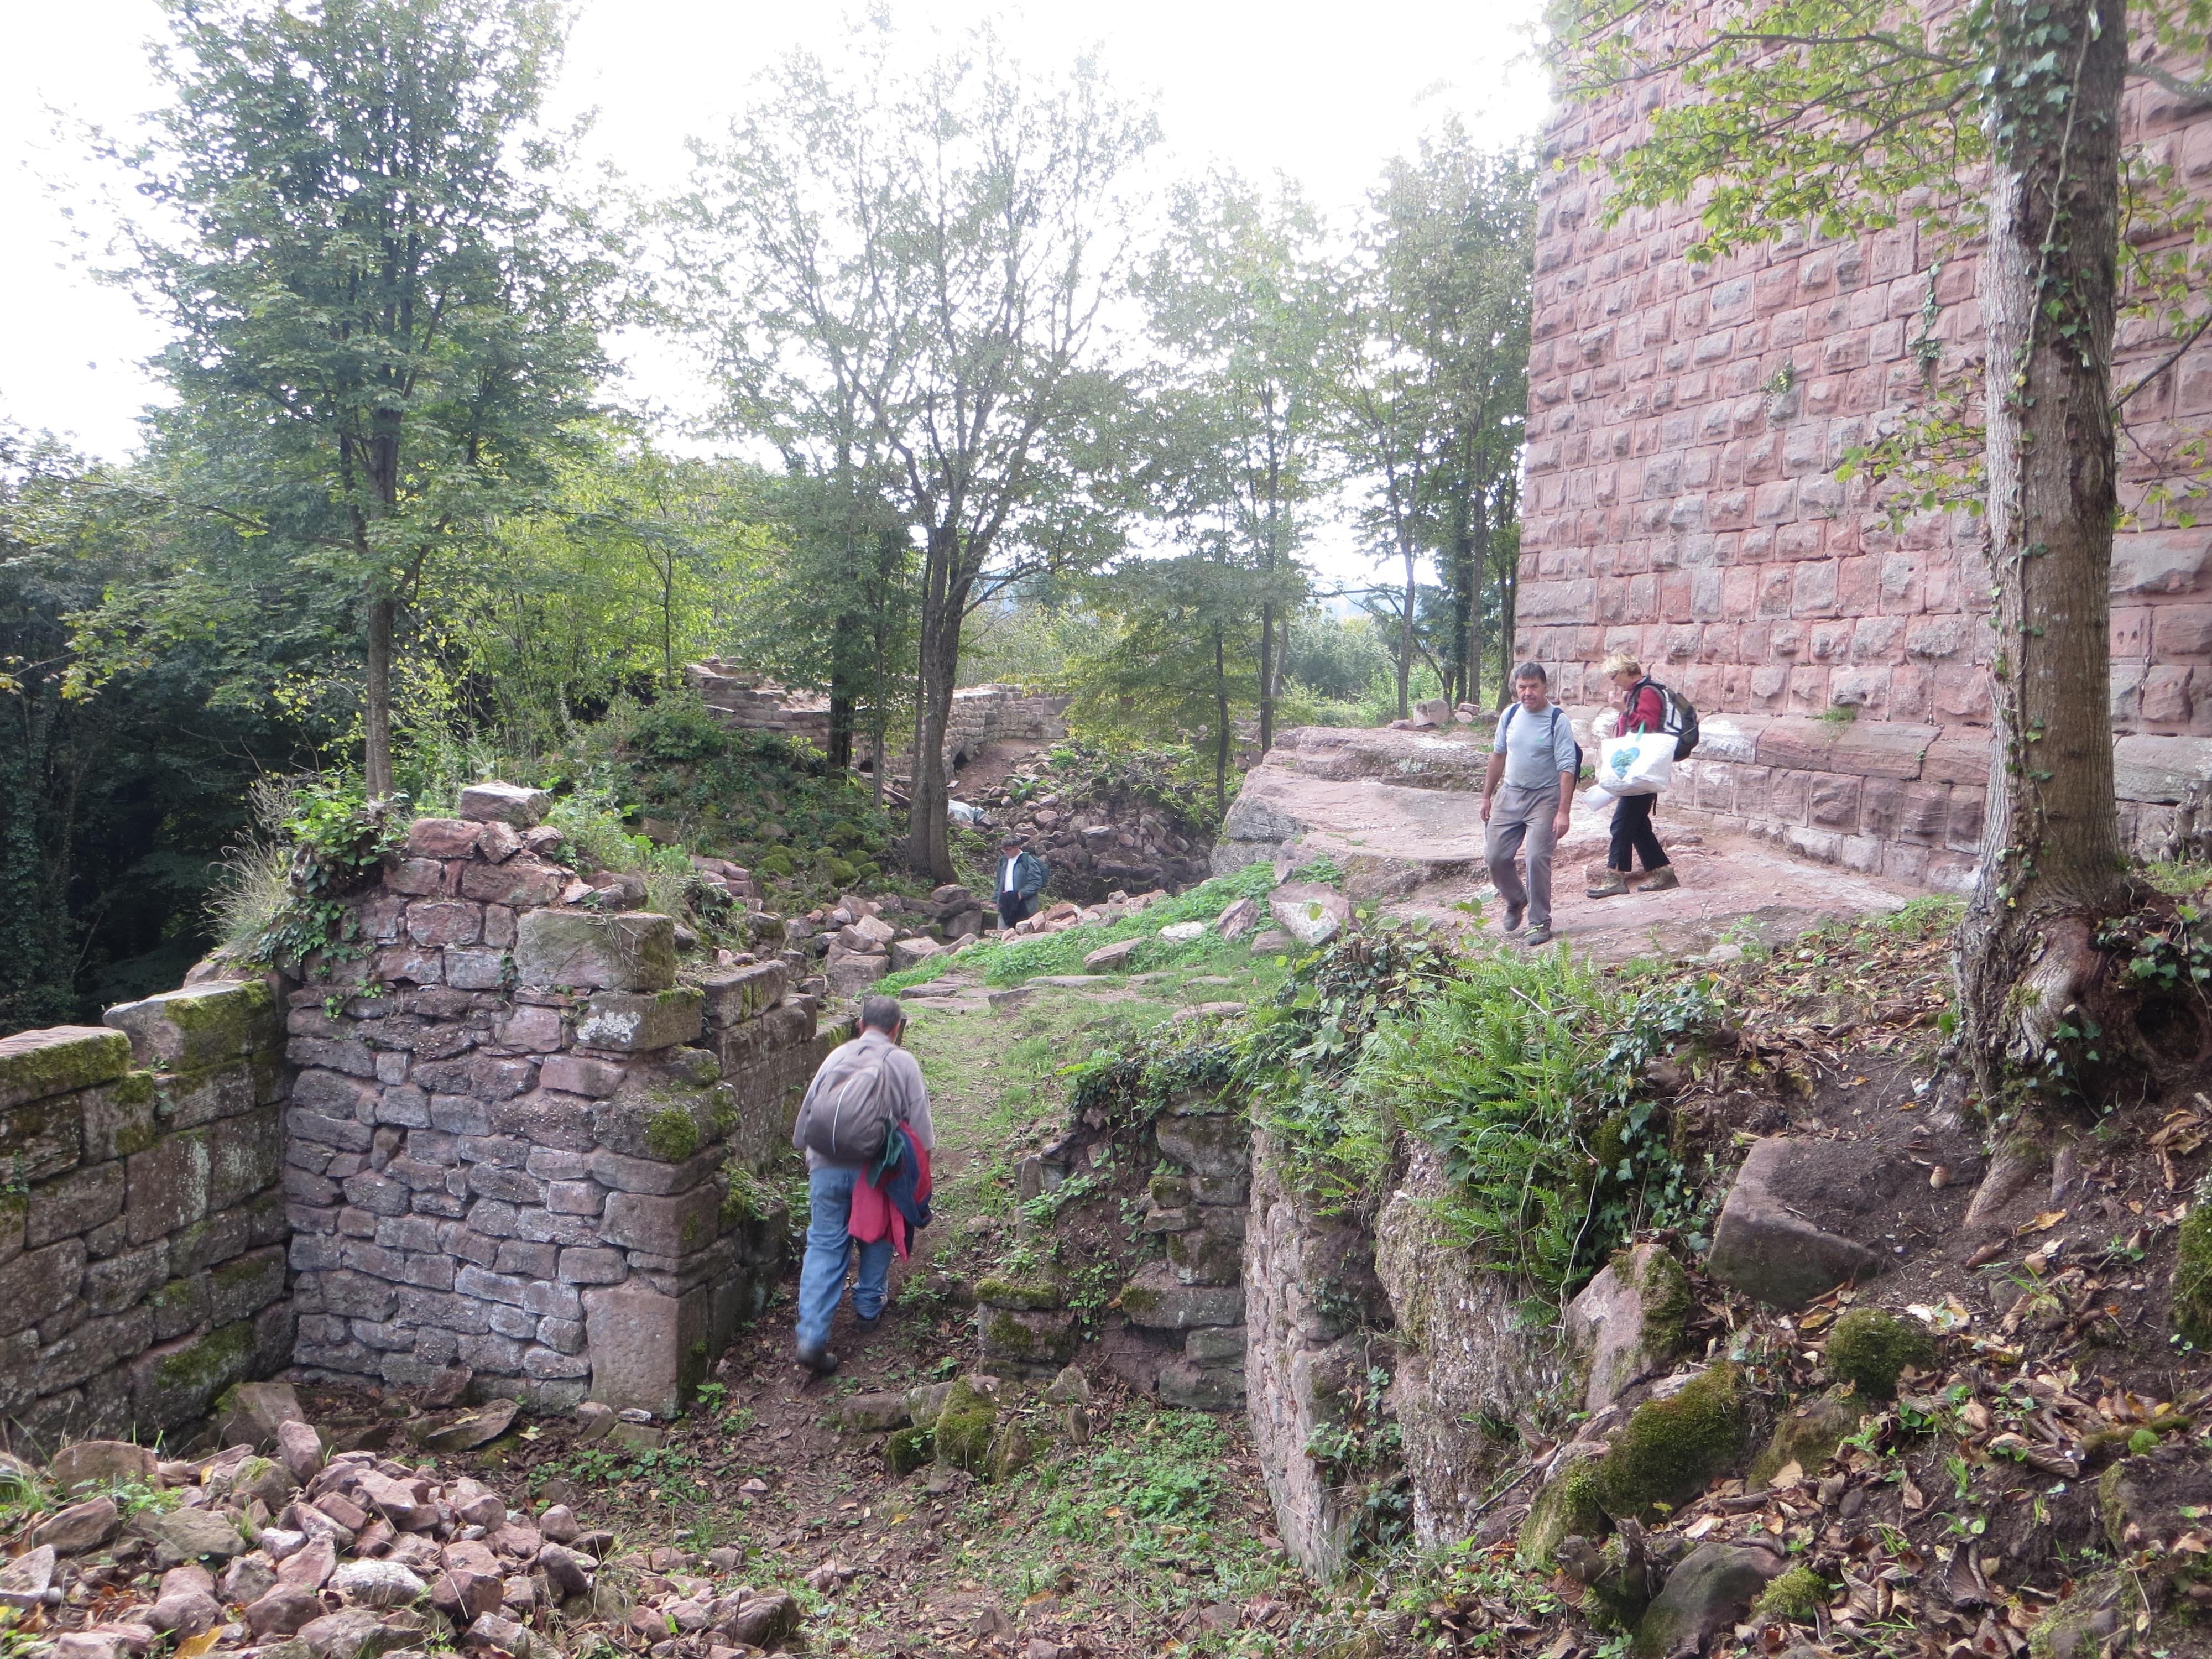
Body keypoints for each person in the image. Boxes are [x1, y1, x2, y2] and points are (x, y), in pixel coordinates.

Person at [792, 994, 935, 1375]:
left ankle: (811, 1335)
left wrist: (816, 1159)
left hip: (824, 1164)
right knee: (877, 1234)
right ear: (897, 1029)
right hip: (874, 1169)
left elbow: (805, 1122)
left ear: (860, 1025)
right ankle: (869, 1308)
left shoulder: (836, 1056)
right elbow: (922, 1133)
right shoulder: (903, 1062)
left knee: (825, 1244)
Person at [1482, 661, 1580, 947]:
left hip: (1545, 798)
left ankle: (1539, 922)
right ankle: (1516, 899)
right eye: (1522, 687)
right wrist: (1487, 795)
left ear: (1545, 687)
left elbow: (1567, 767)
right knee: (1495, 857)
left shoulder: (1557, 720)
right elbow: (1498, 755)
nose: (1528, 693)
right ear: (1516, 688)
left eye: (1534, 686)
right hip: (1510, 794)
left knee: (1537, 858)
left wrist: (1563, 812)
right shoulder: (1510, 715)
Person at [1589, 651, 1679, 898]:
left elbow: (1647, 726)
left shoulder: (1647, 692)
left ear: (1625, 671)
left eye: (1614, 676)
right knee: (1638, 826)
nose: (1613, 682)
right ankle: (1664, 872)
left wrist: (1624, 710)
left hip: (1642, 771)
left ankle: (1615, 877)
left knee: (1621, 824)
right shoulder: (1635, 693)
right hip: (1636, 770)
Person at [993, 833, 1047, 930]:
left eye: (1009, 849)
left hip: (1024, 905)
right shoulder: (1004, 861)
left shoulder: (1028, 861)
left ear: (1017, 847)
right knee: (1002, 934)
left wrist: (1021, 894)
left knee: (1023, 934)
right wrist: (995, 900)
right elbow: (999, 882)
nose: (1006, 852)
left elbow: (1036, 882)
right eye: (1004, 849)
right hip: (1005, 902)